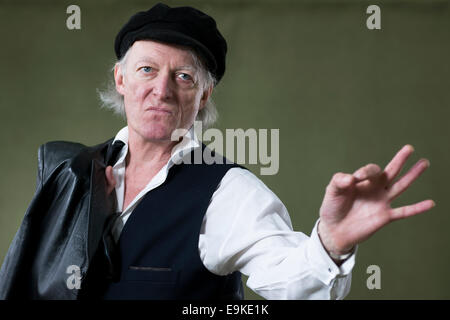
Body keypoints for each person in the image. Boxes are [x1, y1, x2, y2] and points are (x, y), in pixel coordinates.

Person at [0, 3, 434, 300]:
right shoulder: (69, 170)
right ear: (121, 79)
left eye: (184, 77)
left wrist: (331, 245)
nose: (162, 90)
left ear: (204, 95)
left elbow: (295, 283)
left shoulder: (229, 191)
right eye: (147, 69)